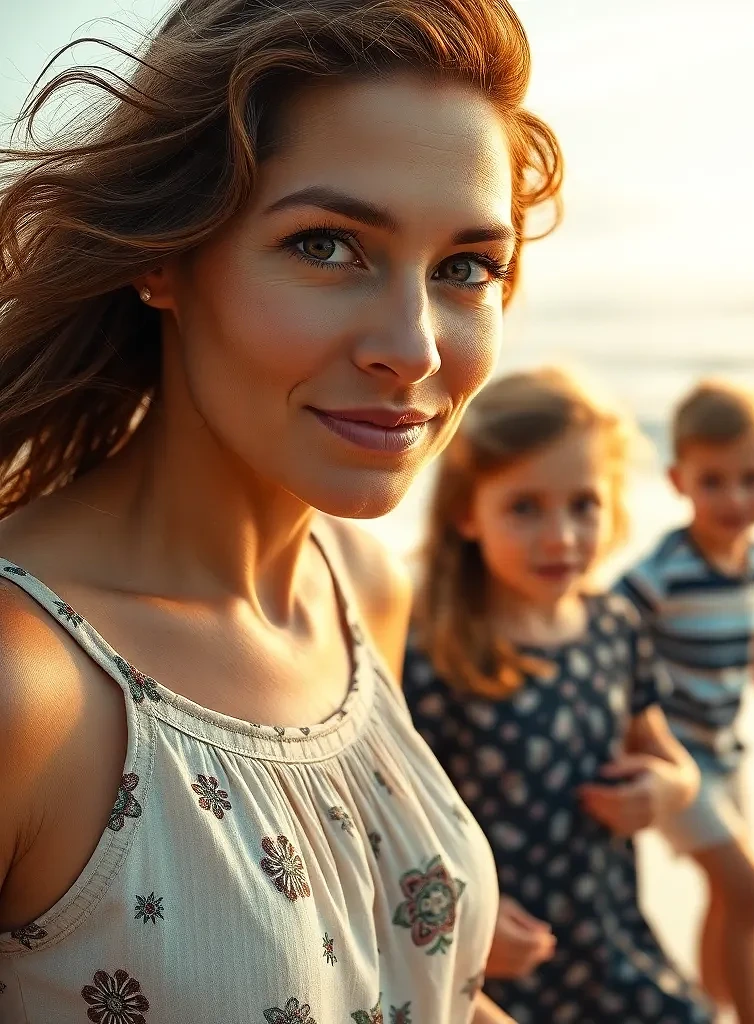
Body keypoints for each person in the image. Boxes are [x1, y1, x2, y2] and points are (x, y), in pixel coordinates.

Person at [0, 2, 562, 1021]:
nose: (416, 347)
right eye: (327, 245)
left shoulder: (360, 586)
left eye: (465, 267)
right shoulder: (26, 690)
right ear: (162, 256)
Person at [403, 367, 716, 1024]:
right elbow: (397, 832)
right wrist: (466, 921)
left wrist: (665, 792)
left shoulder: (615, 626)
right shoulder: (435, 652)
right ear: (467, 511)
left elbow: (671, 761)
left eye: (584, 504)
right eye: (524, 507)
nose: (562, 537)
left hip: (611, 939)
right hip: (500, 963)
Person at [618, 379, 754, 1024]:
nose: (735, 498)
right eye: (713, 480)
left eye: (751, 479)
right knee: (749, 890)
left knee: (727, 898)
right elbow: (601, 646)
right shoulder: (659, 577)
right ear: (677, 480)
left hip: (726, 757)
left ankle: (708, 1009)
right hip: (672, 762)